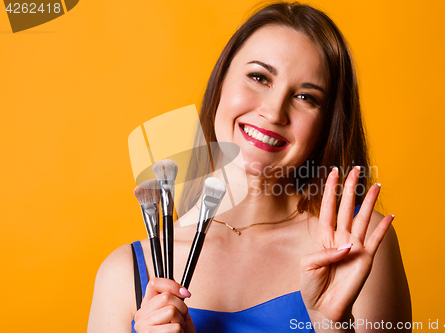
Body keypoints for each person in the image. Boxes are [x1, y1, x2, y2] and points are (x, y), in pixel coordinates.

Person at [88, 2, 412, 332]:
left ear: (327, 124)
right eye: (258, 77)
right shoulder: (123, 273)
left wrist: (332, 326)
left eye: (306, 97)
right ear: (221, 83)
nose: (274, 112)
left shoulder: (353, 245)